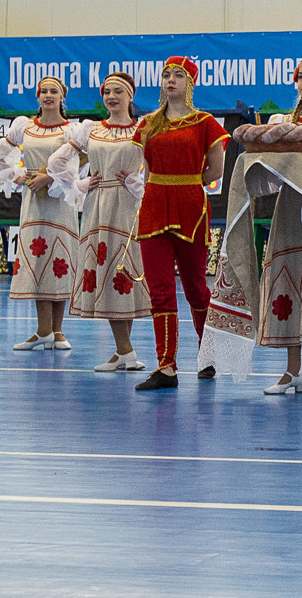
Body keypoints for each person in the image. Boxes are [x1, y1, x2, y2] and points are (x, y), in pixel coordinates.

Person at [201, 55, 302, 395]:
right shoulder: (281, 123)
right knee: (288, 281)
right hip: (292, 211)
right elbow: (270, 177)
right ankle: (292, 370)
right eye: (300, 76)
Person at [131, 57, 228, 391]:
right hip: (154, 207)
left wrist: (186, 181)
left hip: (191, 208)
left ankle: (207, 354)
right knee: (159, 291)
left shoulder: (205, 123)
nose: (170, 80)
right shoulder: (148, 124)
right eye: (166, 75)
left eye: (178, 75)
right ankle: (166, 365)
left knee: (195, 288)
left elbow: (216, 171)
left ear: (191, 82)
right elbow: (146, 169)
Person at [47, 71, 152, 372]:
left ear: (131, 96)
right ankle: (125, 351)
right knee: (107, 269)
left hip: (129, 206)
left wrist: (138, 183)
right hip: (99, 206)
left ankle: (123, 351)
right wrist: (78, 184)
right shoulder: (91, 129)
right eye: (107, 92)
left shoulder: (143, 129)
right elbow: (57, 161)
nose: (111, 97)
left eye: (118, 91)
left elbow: (155, 166)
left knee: (125, 273)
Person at [0, 76, 79, 351]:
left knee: (59, 260)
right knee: (39, 259)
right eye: (44, 91)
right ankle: (43, 331)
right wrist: (18, 175)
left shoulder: (72, 131)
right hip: (33, 202)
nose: (48, 95)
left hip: (60, 201)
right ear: (37, 97)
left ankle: (58, 331)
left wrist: (49, 178)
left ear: (62, 96)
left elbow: (77, 165)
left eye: (54, 91)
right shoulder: (24, 127)